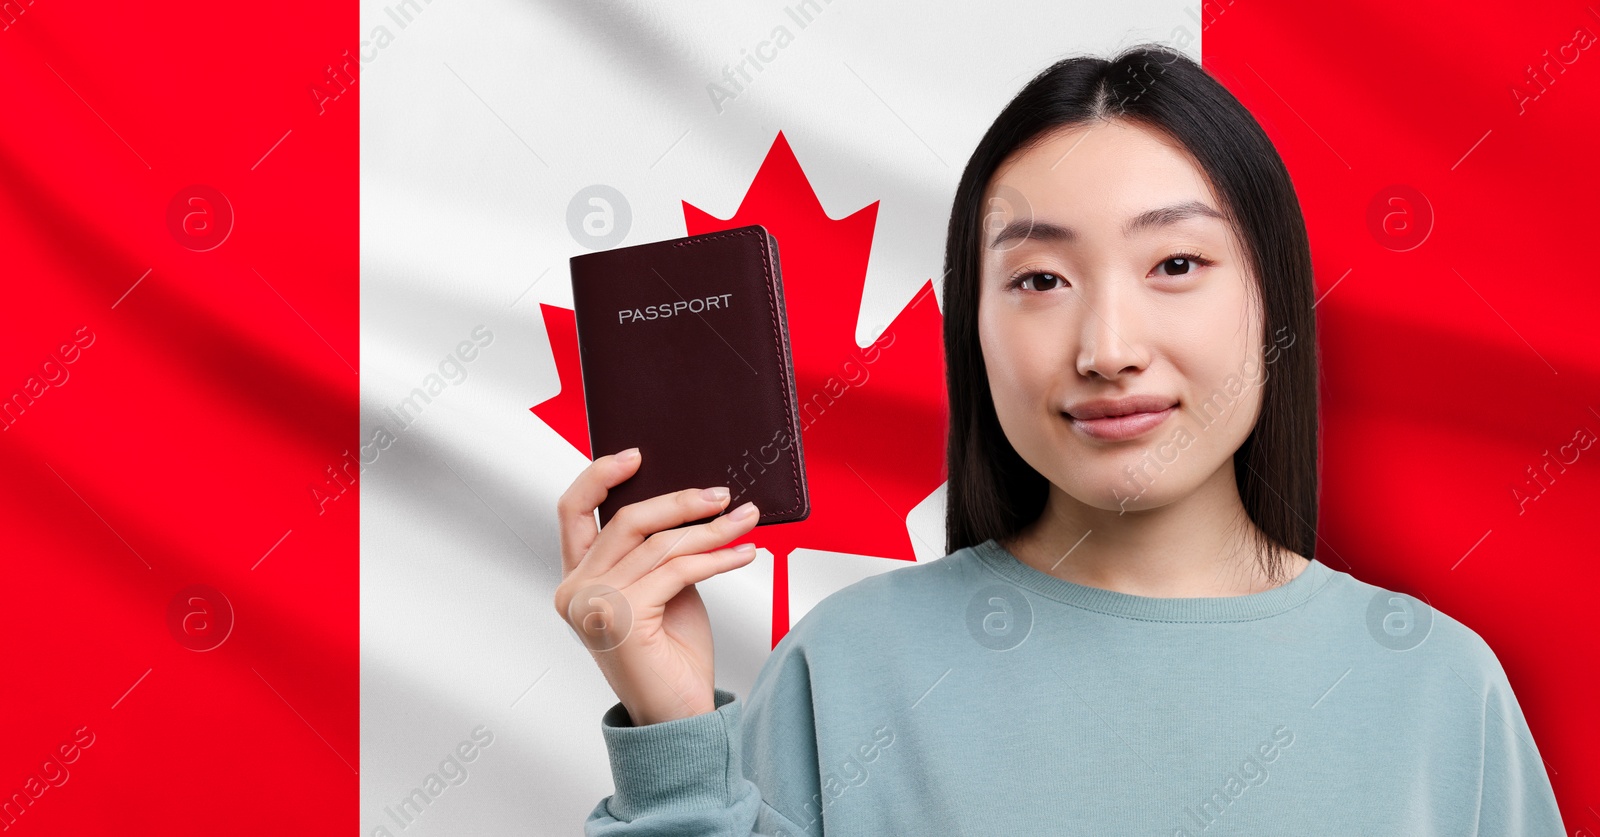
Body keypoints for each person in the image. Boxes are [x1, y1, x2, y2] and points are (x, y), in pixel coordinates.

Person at [554, 43, 1567, 835]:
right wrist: (675, 739)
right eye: (1038, 280)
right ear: (974, 331)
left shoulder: (1436, 686)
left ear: (1273, 302)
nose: (1107, 347)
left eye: (1174, 262)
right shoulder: (847, 668)